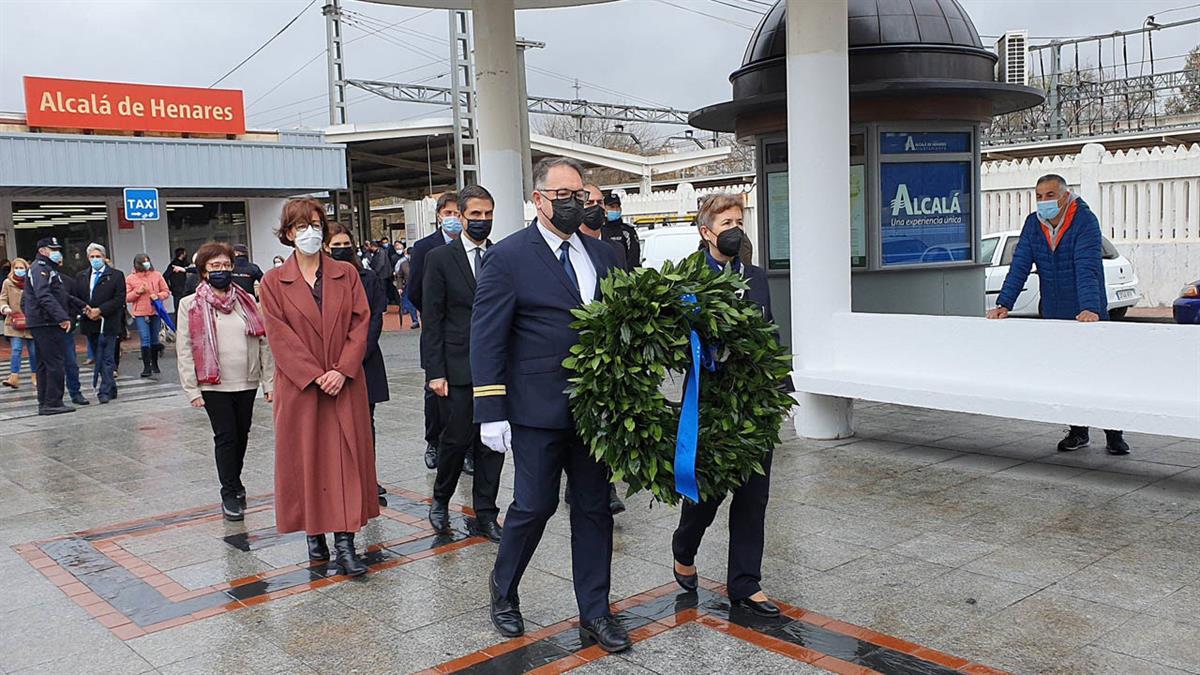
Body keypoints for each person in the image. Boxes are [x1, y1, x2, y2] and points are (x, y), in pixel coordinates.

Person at [473, 157, 628, 652]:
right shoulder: (509, 257)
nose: (572, 203)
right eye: (561, 195)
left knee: (594, 511)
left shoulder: (604, 257)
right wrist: (490, 409)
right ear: (538, 200)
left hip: (595, 412)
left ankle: (596, 613)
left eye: (578, 194)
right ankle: (503, 590)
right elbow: (487, 337)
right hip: (536, 410)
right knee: (532, 507)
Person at [670, 193, 783, 619]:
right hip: (710, 403)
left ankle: (745, 584)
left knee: (754, 496)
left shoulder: (756, 277)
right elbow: (676, 342)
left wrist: (778, 387)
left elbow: (770, 334)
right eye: (727, 223)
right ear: (706, 232)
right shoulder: (687, 280)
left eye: (739, 220)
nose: (736, 229)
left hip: (753, 404)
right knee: (708, 494)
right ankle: (684, 545)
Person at [260, 197, 378, 577]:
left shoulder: (346, 274)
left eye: (314, 224)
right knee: (306, 459)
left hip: (345, 383)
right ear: (288, 233)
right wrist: (314, 374)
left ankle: (346, 542)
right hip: (301, 388)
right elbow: (279, 337)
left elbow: (361, 324)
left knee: (345, 460)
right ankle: (315, 536)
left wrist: (342, 369)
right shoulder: (273, 282)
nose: (308, 232)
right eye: (299, 226)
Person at [987, 173, 1130, 456]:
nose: (1044, 201)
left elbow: (1087, 266)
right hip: (1054, 310)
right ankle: (1078, 431)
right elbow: (1020, 265)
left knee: (1099, 373)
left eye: (1050, 195)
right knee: (1069, 373)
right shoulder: (1033, 224)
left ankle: (1114, 432)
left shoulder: (1084, 221)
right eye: (1039, 196)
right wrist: (1005, 303)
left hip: (1087, 311)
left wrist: (1089, 309)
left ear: (1065, 196)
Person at [421, 185, 504, 543]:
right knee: (455, 440)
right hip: (456, 368)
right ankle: (441, 499)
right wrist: (434, 372)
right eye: (475, 215)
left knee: (493, 444)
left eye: (488, 215)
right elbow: (433, 319)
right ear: (460, 215)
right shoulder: (440, 259)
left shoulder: (502, 256)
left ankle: (485, 513)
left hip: (497, 369)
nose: (482, 221)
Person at [177, 242, 274, 521]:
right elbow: (184, 348)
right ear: (203, 271)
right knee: (226, 436)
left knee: (242, 434)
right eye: (215, 266)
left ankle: (236, 480)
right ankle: (229, 492)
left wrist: (269, 382)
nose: (222, 271)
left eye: (226, 265)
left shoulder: (248, 302)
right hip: (213, 383)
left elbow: (264, 342)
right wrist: (191, 388)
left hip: (246, 380)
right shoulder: (189, 305)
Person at [326, 223, 390, 507]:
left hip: (365, 359)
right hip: (329, 362)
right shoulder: (319, 278)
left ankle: (367, 477)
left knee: (366, 422)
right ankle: (336, 478)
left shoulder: (369, 277)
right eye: (335, 245)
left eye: (345, 244)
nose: (341, 249)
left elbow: (374, 317)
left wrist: (358, 353)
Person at [575, 184, 628, 516]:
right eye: (588, 201)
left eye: (599, 202)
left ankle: (604, 485)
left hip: (606, 358)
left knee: (604, 424)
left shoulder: (612, 247)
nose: (595, 207)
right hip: (572, 360)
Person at [412, 192, 462, 471]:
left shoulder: (475, 245)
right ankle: (434, 441)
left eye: (457, 213)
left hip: (464, 331)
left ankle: (464, 448)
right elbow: (416, 289)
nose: (453, 218)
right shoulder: (424, 248)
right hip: (437, 328)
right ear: (439, 216)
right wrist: (433, 315)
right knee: (434, 391)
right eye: (448, 213)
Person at [22, 237, 74, 415]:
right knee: (54, 362)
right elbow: (44, 295)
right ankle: (52, 402)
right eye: (53, 249)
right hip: (45, 322)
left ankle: (45, 401)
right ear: (43, 250)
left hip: (42, 321)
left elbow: (61, 295)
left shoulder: (47, 268)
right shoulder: (40, 269)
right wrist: (61, 317)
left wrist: (82, 306)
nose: (57, 252)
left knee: (44, 363)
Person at [73, 244, 124, 404]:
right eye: (92, 257)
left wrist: (100, 310)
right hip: (89, 322)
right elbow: (77, 297)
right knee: (98, 357)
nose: (95, 260)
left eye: (98, 256)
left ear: (104, 257)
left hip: (108, 322)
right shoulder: (81, 276)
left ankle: (105, 390)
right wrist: (86, 310)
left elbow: (119, 298)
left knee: (107, 356)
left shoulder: (115, 275)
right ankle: (111, 386)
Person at [125, 253, 169, 379]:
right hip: (140, 313)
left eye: (147, 261)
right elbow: (127, 297)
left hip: (155, 311)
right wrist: (137, 292)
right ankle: (146, 367)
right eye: (143, 262)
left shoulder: (157, 275)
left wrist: (159, 296)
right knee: (145, 338)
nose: (146, 263)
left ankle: (155, 364)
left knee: (154, 338)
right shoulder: (130, 278)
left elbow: (166, 291)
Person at [1, 258, 37, 391]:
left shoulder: (31, 282)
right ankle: (14, 376)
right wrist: (5, 308)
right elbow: (3, 298)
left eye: (22, 268)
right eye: (17, 268)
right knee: (16, 349)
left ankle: (35, 375)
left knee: (33, 351)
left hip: (30, 322)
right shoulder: (7, 282)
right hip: (14, 321)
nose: (19, 270)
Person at [59, 273, 88, 406]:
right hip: (46, 328)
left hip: (66, 328)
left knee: (70, 362)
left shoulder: (67, 281)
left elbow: (74, 302)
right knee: (50, 365)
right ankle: (53, 396)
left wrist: (71, 319)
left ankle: (75, 392)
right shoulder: (37, 279)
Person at [600, 192, 641, 271]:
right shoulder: (600, 230)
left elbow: (634, 258)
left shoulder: (627, 231)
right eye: (611, 207)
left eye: (617, 207)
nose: (615, 210)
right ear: (604, 208)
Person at [164, 247, 190, 320]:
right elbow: (165, 276)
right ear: (182, 254)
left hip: (185, 290)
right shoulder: (173, 265)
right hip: (178, 290)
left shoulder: (185, 264)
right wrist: (170, 288)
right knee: (179, 309)